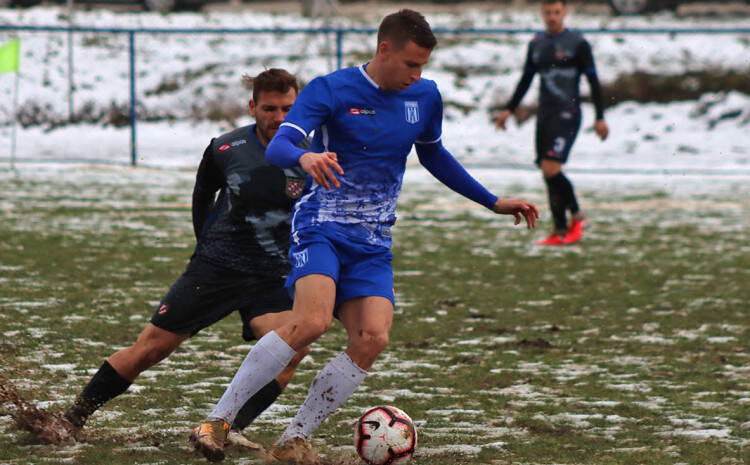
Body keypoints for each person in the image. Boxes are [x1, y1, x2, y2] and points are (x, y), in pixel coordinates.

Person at [190, 9, 539, 463]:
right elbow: (279, 145)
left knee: (373, 337)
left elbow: (434, 155)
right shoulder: (331, 89)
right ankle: (216, 421)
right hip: (321, 226)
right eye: (411, 64)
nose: (417, 75)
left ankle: (294, 438)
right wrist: (306, 158)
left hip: (373, 240)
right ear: (384, 49)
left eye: (423, 66)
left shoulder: (425, 96)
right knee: (311, 322)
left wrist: (492, 201)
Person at [44, 69, 311, 451]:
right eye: (270, 108)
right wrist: (206, 244)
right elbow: (203, 193)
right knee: (151, 348)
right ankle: (72, 419)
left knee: (293, 348)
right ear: (253, 107)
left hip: (271, 276)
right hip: (217, 269)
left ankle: (226, 427)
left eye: (287, 108)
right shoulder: (226, 148)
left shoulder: (311, 155)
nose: (279, 117)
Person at [495, 0, 609, 246]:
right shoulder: (537, 43)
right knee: (547, 172)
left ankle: (578, 216)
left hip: (568, 114)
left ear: (564, 12)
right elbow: (526, 79)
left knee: (551, 168)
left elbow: (594, 82)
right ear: (542, 13)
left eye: (557, 12)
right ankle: (560, 231)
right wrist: (509, 109)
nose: (552, 17)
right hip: (545, 114)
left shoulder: (578, 43)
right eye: (548, 12)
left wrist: (600, 116)